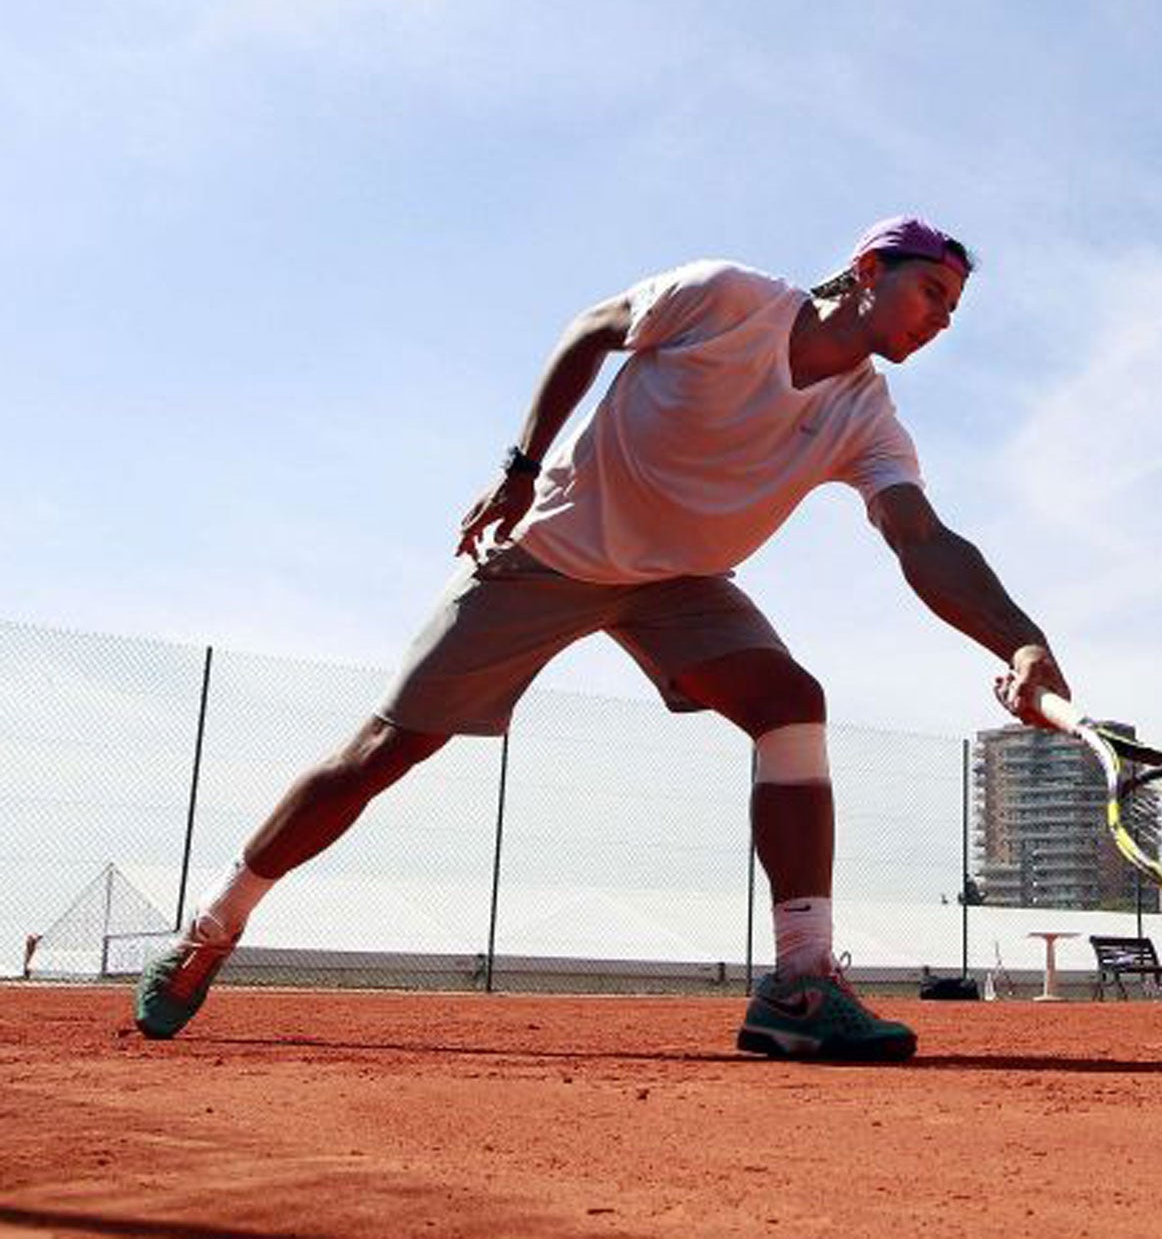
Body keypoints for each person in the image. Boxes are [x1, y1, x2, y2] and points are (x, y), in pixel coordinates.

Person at [134, 217, 1068, 1061]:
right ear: (867, 270)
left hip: (680, 585)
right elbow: (592, 328)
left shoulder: (866, 417)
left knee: (792, 702)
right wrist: (520, 468)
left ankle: (800, 981)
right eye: (931, 295)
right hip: (556, 551)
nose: (940, 321)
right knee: (385, 749)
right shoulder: (727, 297)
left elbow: (922, 539)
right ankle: (209, 930)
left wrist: (1020, 644)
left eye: (952, 310)